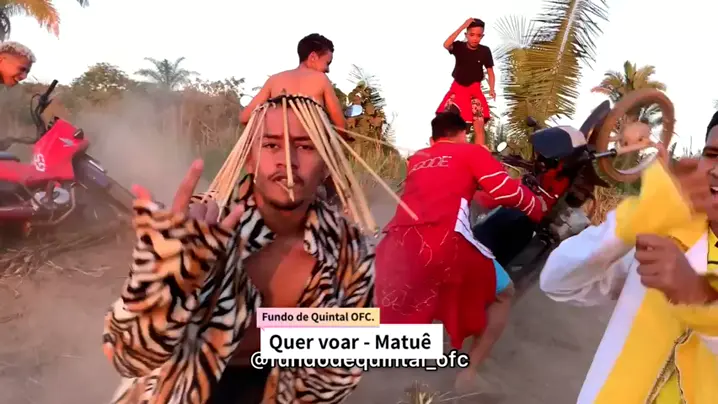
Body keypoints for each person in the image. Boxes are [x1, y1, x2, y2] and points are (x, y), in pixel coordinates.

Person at [102, 95, 375, 404]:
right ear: (249, 160)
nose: (287, 160)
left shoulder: (350, 252)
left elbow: (346, 362)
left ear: (326, 165)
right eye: (271, 145)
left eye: (305, 146)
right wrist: (170, 273)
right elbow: (128, 357)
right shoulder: (198, 223)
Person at [539, 117, 718, 403]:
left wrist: (700, 297)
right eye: (712, 154)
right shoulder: (666, 236)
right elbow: (557, 282)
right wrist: (635, 218)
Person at [375, 112, 546, 391]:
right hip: (443, 242)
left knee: (400, 302)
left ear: (433, 139)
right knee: (504, 293)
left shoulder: (417, 159)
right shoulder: (470, 152)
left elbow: (454, 191)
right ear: (462, 134)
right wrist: (535, 205)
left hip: (398, 242)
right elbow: (505, 191)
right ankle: (468, 374)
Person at [239, 33, 346, 129]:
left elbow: (244, 118)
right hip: (311, 143)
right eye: (327, 63)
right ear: (313, 57)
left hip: (278, 144)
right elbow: (341, 126)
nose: (328, 70)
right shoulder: (321, 79)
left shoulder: (274, 80)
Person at [437, 18, 496, 146]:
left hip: (474, 91)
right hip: (457, 90)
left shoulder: (485, 51)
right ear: (466, 35)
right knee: (447, 122)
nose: (475, 38)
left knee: (479, 123)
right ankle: (447, 149)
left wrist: (492, 89)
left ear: (482, 36)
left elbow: (490, 72)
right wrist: (463, 26)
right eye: (472, 34)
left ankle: (479, 151)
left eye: (479, 35)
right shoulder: (459, 46)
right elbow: (446, 44)